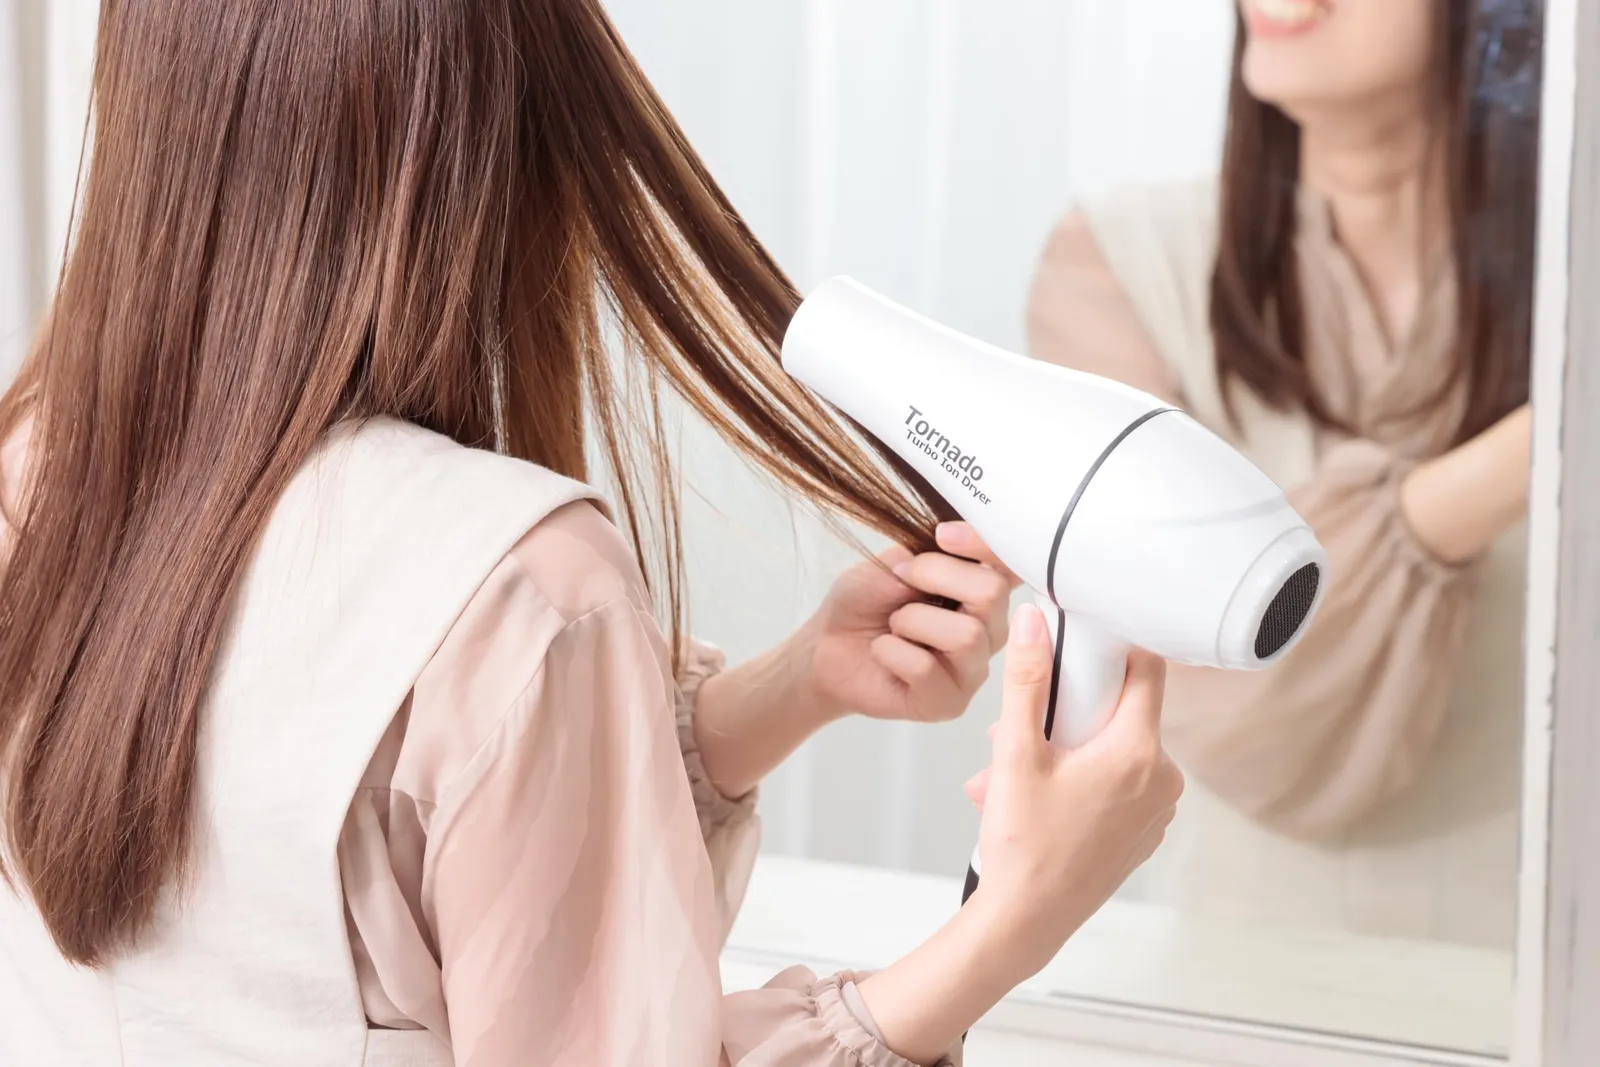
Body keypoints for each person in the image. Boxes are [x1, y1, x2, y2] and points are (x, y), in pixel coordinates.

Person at [0, 3, 1184, 1066]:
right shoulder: (518, 585)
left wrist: (788, 689)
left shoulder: (37, 461)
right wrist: (1012, 918)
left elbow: (356, 850)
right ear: (497, 143)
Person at [1026, 0, 1538, 948]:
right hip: (1241, 975)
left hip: (1545, 966)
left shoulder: (1569, 271)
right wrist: (1537, 447)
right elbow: (1222, 695)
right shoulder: (1119, 266)